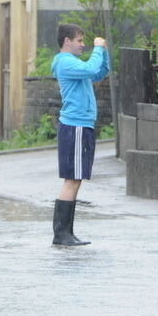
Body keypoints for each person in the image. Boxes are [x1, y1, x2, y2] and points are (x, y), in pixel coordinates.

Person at [49, 23, 109, 246]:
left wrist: (104, 52)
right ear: (67, 41)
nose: (83, 45)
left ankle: (67, 233)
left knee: (76, 179)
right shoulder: (65, 62)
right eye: (79, 41)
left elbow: (100, 72)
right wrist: (98, 49)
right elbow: (92, 69)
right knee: (72, 179)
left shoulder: (74, 64)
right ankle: (61, 233)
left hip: (82, 125)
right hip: (74, 126)